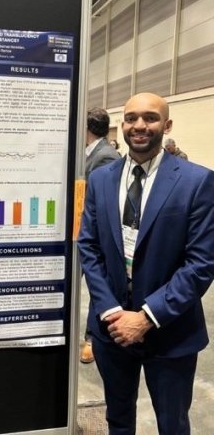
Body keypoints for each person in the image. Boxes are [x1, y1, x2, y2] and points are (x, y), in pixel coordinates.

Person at [78, 92, 214, 434]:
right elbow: (89, 248)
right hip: (113, 330)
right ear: (121, 125)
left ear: (166, 125)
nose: (140, 125)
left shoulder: (196, 181)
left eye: (150, 118)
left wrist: (147, 317)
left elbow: (200, 263)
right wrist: (110, 311)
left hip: (170, 331)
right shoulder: (101, 179)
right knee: (118, 419)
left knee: (172, 423)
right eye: (131, 117)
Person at [80, 107, 120, 364]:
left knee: (98, 283)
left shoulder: (106, 157)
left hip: (97, 233)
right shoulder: (92, 153)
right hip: (83, 228)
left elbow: (103, 203)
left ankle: (92, 338)